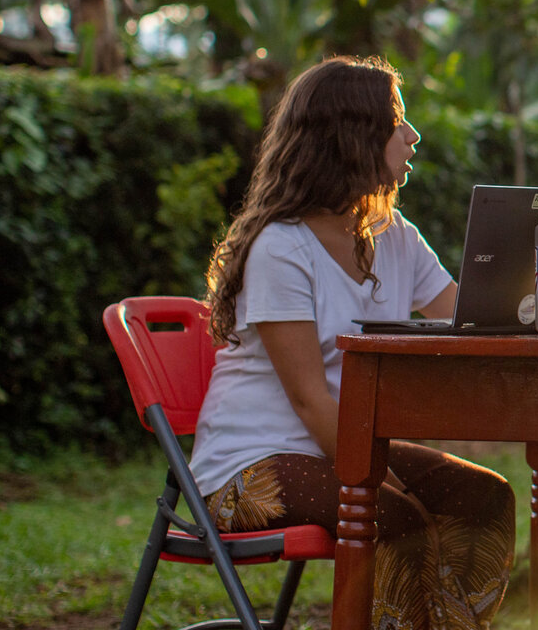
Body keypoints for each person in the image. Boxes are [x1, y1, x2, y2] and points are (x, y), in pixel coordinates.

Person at [191, 57, 515, 629]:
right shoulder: (281, 249)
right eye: (398, 121)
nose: (413, 136)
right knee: (396, 518)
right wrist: (381, 479)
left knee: (483, 496)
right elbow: (312, 403)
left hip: (338, 450)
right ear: (353, 135)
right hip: (248, 467)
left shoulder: (394, 237)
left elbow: (472, 321)